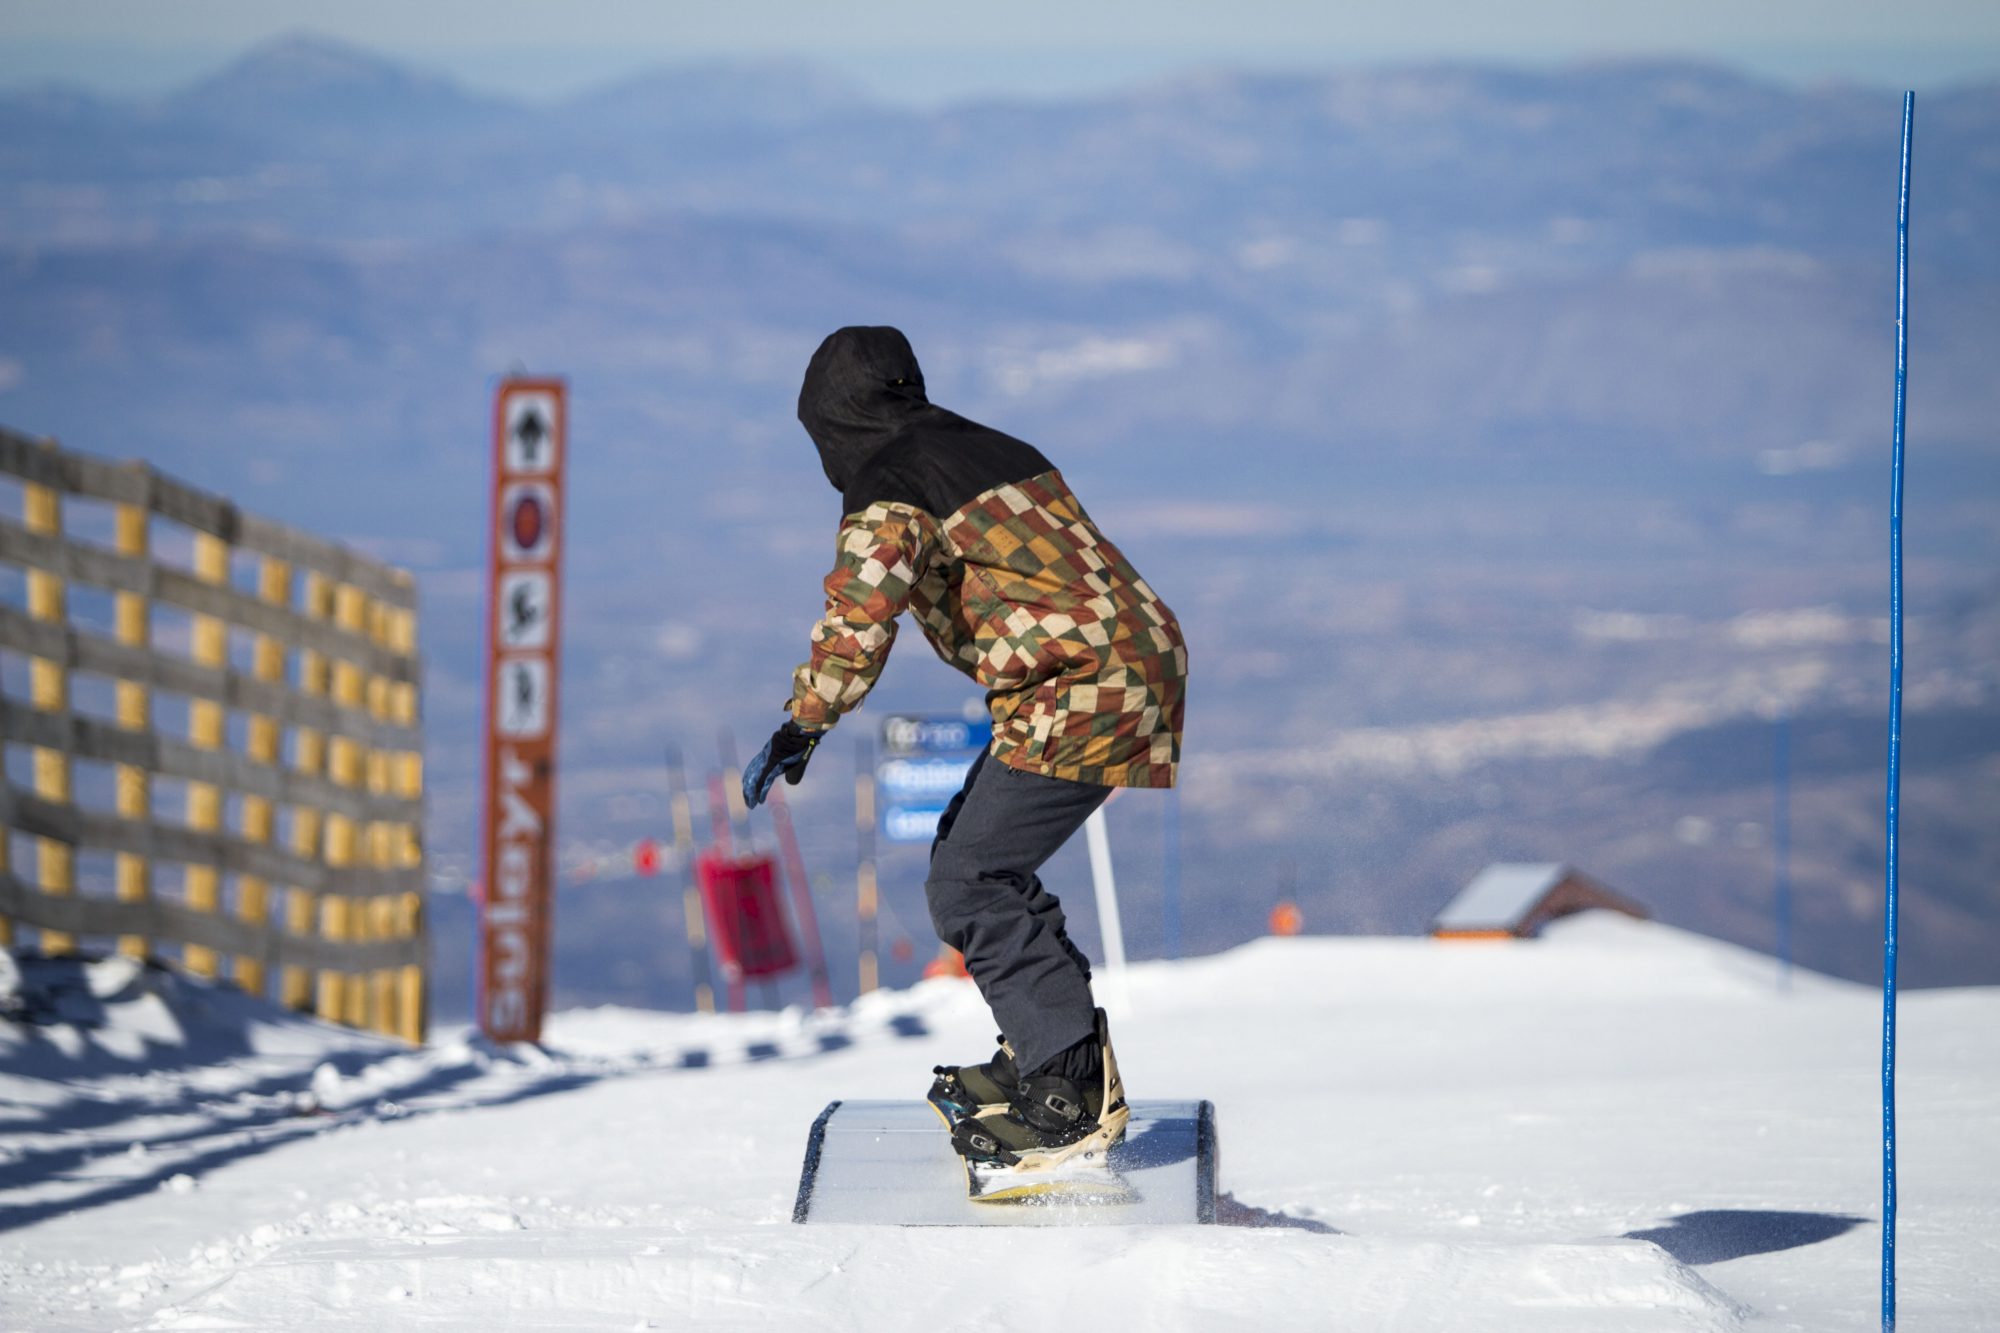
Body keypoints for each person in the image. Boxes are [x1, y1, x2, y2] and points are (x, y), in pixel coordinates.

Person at [743, 326, 1187, 1172]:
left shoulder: (889, 483)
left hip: (1082, 683)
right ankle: (1050, 1049)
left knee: (970, 879)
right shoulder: (989, 446)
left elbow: (861, 615)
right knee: (973, 858)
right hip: (1113, 665)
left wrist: (805, 719)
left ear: (831, 421)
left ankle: (1068, 1092)